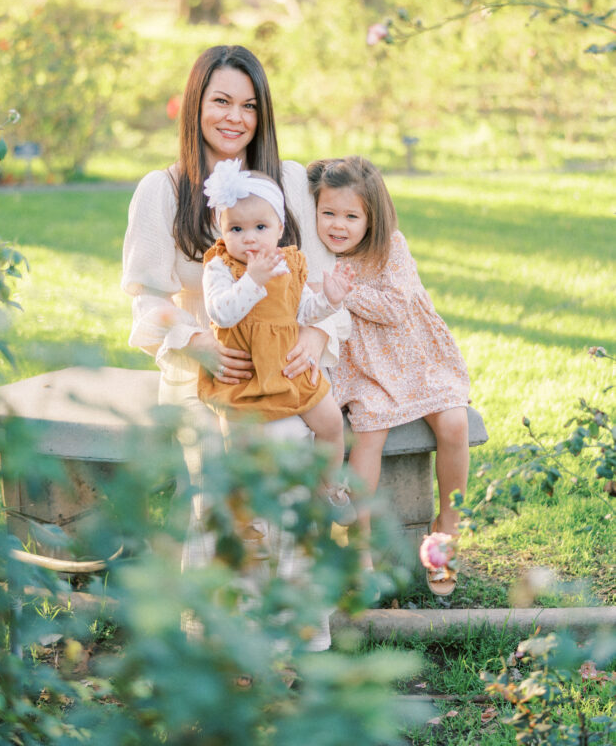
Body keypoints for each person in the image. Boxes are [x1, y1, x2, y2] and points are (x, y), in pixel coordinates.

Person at [121, 45, 348, 646]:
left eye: (248, 105)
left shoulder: (290, 181)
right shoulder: (163, 190)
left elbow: (325, 283)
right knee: (224, 476)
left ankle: (299, 630)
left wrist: (314, 333)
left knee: (294, 459)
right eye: (221, 100)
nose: (234, 117)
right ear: (196, 104)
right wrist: (195, 341)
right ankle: (219, 636)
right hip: (206, 370)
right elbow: (145, 297)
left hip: (288, 364)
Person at [307, 156, 470, 596]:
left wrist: (343, 291)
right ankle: (358, 548)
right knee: (369, 434)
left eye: (351, 216)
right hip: (363, 368)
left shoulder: (390, 246)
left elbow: (396, 308)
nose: (338, 225)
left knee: (455, 423)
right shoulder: (316, 253)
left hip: (416, 357)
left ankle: (444, 532)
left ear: (372, 217)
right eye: (329, 213)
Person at [197, 158, 355, 523]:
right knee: (240, 443)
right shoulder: (219, 268)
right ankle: (244, 512)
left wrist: (329, 299)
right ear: (222, 231)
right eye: (236, 228)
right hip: (245, 375)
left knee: (331, 422)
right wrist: (252, 280)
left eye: (260, 226)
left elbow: (302, 312)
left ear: (280, 228)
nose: (248, 237)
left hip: (286, 368)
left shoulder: (290, 264)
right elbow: (221, 313)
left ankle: (330, 486)